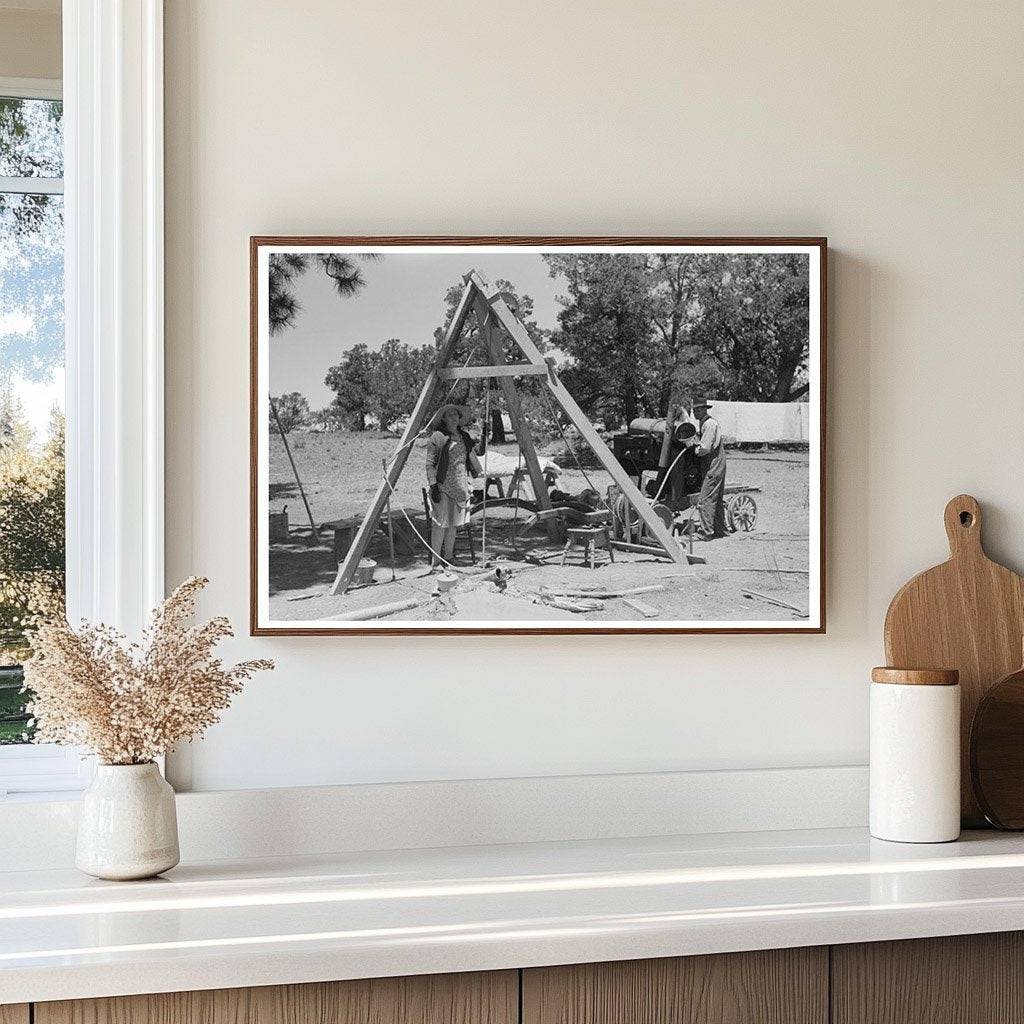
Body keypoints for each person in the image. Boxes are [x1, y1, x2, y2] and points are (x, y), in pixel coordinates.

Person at [425, 404, 482, 566]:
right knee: (440, 524)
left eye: (456, 414)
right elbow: (429, 464)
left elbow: (477, 452)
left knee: (453, 524)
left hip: (460, 485)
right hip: (442, 485)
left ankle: (449, 557)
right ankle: (436, 561)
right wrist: (433, 485)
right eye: (449, 415)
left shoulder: (464, 436)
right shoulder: (437, 437)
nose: (454, 417)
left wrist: (484, 434)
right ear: (443, 419)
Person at [686, 399, 727, 540]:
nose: (695, 413)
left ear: (704, 410)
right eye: (694, 410)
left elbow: (705, 448)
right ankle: (720, 530)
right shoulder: (704, 423)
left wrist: (692, 448)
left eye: (697, 410)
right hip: (716, 463)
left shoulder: (709, 424)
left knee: (705, 499)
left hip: (714, 464)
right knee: (717, 499)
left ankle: (706, 532)